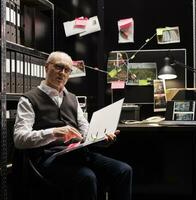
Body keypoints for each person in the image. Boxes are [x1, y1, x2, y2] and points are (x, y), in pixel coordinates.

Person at [13, 51, 132, 200]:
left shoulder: (72, 99)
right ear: (46, 67)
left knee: (123, 170)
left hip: (77, 154)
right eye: (58, 67)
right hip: (49, 159)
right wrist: (54, 132)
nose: (62, 73)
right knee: (86, 177)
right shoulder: (28, 99)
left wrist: (102, 139)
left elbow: (86, 132)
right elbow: (19, 139)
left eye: (67, 70)